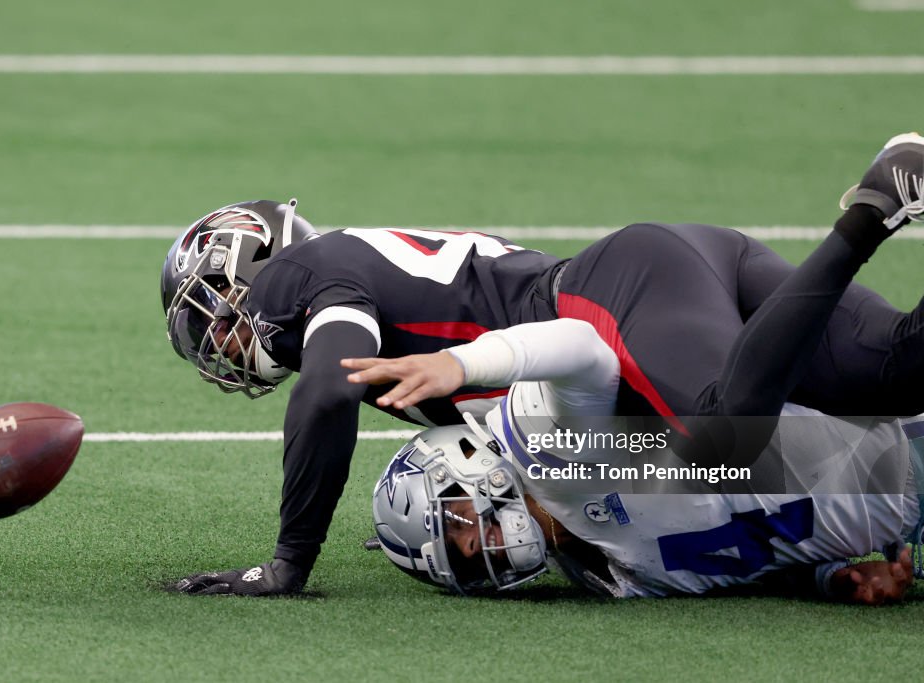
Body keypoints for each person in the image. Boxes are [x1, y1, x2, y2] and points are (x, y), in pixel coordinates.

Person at [163, 134, 924, 597]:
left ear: (250, 266)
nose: (219, 344)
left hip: (606, 300)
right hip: (654, 281)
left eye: (211, 317)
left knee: (722, 433)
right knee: (895, 372)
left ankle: (871, 206)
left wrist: (288, 561)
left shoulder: (304, 273)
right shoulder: (351, 281)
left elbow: (329, 393)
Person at [352, 317, 923, 604]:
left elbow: (579, 344)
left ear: (468, 465)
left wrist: (464, 363)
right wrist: (827, 578)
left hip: (896, 434)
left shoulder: (548, 449)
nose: (489, 552)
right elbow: (737, 553)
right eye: (467, 562)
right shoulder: (595, 573)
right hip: (901, 518)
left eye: (467, 535)